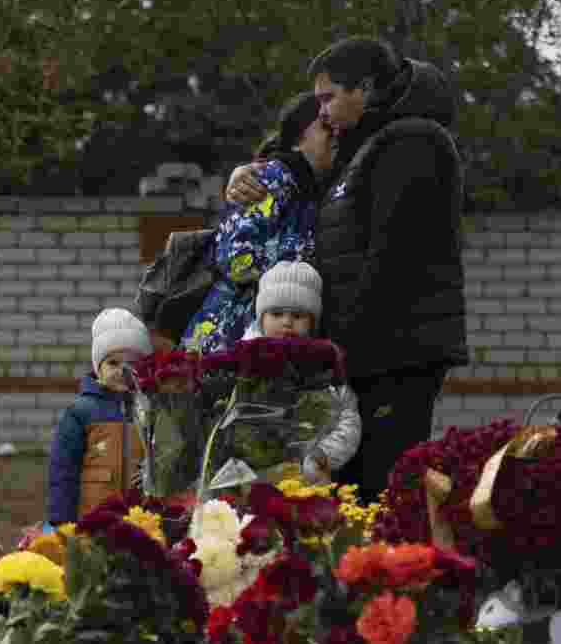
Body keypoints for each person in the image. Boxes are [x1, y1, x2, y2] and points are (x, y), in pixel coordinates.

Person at [222, 37, 468, 502]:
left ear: (367, 89)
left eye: (328, 97)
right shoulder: (363, 145)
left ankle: (389, 570)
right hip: (365, 354)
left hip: (396, 351)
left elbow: (394, 262)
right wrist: (250, 172)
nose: (323, 112)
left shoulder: (412, 142)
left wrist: (339, 346)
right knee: (349, 486)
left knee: (381, 484)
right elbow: (301, 154)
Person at [179, 91, 333, 355]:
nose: (335, 133)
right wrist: (296, 273)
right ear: (297, 140)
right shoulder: (273, 178)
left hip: (265, 335)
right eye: (325, 125)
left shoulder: (312, 187)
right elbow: (237, 259)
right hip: (229, 337)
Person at [235, 260, 362, 485]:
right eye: (276, 313)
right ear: (260, 317)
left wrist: (322, 455)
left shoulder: (326, 366)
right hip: (250, 480)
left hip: (308, 481)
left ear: (312, 321)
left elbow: (347, 419)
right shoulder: (241, 363)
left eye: (298, 316)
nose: (286, 322)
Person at [46, 308, 153, 529]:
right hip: (91, 522)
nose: (122, 371)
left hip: (140, 523)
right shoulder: (81, 412)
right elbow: (63, 471)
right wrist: (62, 522)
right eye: (113, 363)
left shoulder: (149, 410)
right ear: (98, 368)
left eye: (131, 364)